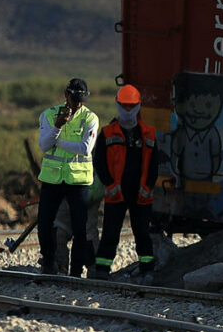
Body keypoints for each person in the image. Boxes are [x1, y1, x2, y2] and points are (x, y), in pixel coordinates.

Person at [92, 84, 159, 279]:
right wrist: (110, 185)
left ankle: (148, 271)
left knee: (142, 234)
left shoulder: (149, 133)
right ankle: (102, 270)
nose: (128, 110)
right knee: (110, 233)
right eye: (124, 106)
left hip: (140, 194)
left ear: (138, 106)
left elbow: (154, 164)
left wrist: (148, 187)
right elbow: (99, 162)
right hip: (117, 192)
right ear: (118, 105)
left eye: (132, 106)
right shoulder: (107, 132)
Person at [35, 77, 100, 275]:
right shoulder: (48, 115)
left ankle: (76, 271)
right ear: (66, 95)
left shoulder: (90, 118)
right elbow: (43, 145)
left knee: (81, 229)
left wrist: (57, 140)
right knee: (45, 223)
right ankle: (49, 261)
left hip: (78, 181)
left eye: (81, 100)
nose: (78, 104)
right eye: (74, 99)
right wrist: (57, 127)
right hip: (52, 179)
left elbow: (85, 148)